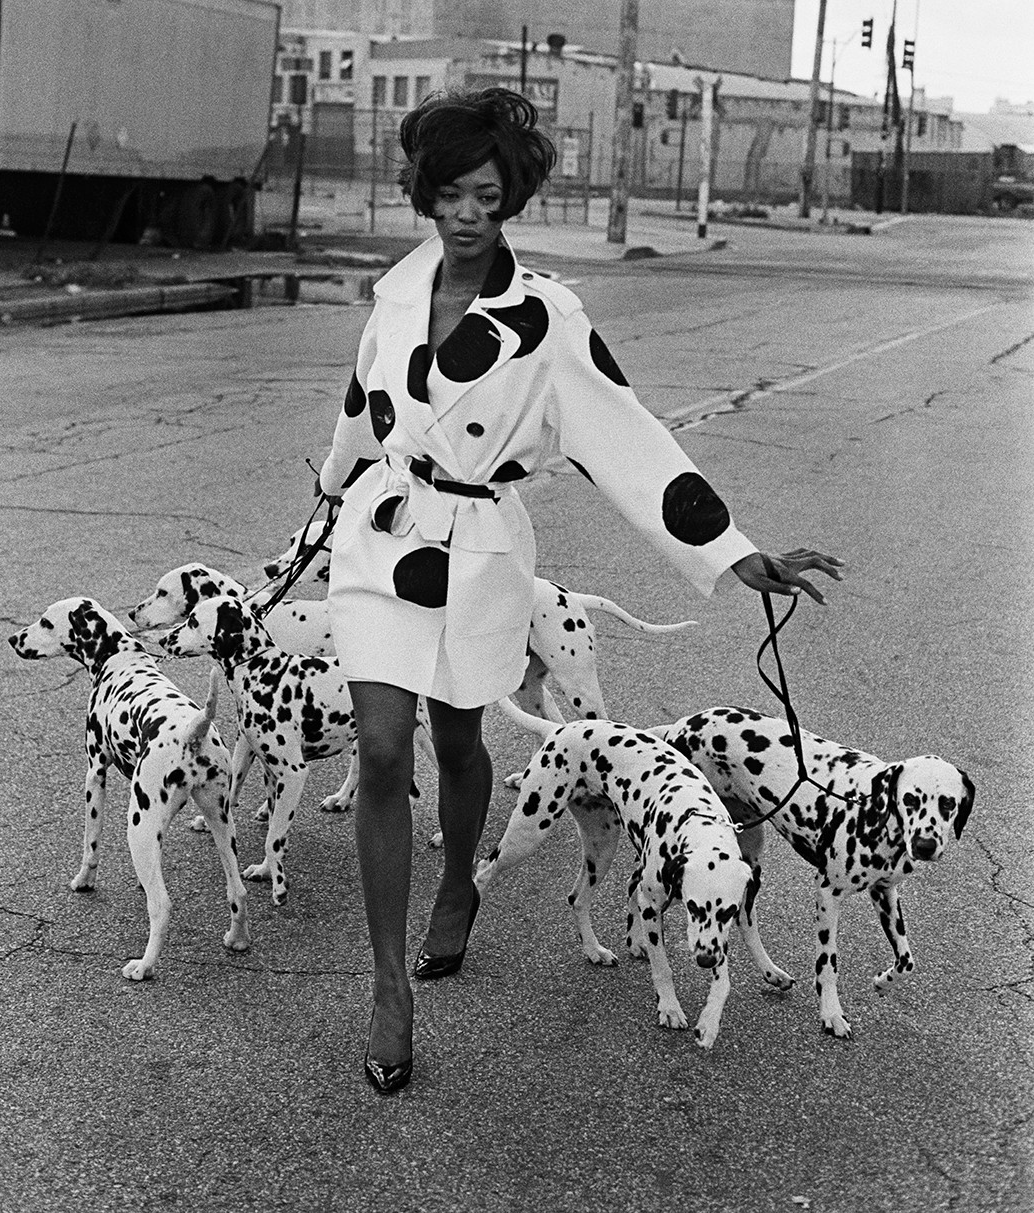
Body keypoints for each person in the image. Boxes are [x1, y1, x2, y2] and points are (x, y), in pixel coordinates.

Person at [316, 86, 842, 1094]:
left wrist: (731, 551)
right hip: (381, 539)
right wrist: (326, 491)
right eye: (451, 195)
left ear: (510, 201)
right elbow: (360, 406)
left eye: (488, 198)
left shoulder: (545, 318)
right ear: (424, 193)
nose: (467, 216)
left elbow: (627, 439)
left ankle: (460, 884)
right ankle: (388, 990)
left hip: (478, 551)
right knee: (380, 749)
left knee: (458, 740)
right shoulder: (396, 291)